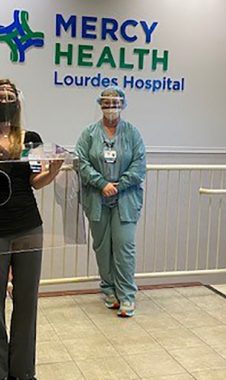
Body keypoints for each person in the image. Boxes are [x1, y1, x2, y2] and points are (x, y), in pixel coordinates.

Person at [0, 79, 61, 380]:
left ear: (18, 102)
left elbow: (35, 181)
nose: (4, 100)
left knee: (27, 299)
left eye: (9, 95)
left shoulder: (29, 139)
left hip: (28, 225)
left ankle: (23, 369)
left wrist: (53, 170)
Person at [75, 86, 146, 318]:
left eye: (115, 104)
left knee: (124, 246)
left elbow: (139, 166)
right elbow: (81, 162)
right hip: (97, 198)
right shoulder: (89, 134)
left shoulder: (133, 134)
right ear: (100, 106)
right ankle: (108, 290)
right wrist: (101, 183)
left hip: (125, 198)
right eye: (106, 104)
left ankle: (127, 295)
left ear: (123, 106)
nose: (111, 108)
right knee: (102, 247)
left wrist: (118, 185)